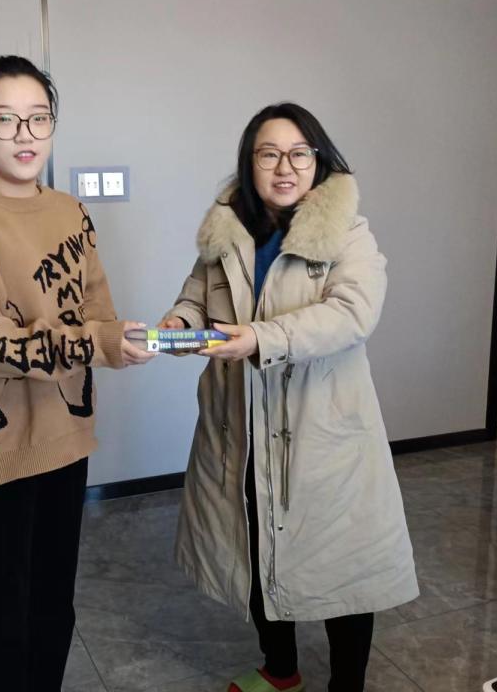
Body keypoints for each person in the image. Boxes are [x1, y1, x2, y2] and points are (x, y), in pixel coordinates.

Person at [160, 103, 418, 692]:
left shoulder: (348, 233)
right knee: (255, 549)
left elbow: (352, 314)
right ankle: (280, 671)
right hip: (240, 425)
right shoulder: (225, 232)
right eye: (269, 154)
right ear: (249, 163)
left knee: (342, 567)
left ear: (318, 160)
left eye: (299, 154)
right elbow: (195, 298)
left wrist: (259, 338)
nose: (284, 167)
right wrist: (178, 324)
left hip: (322, 431)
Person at [0, 55, 155, 692]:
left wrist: (127, 338)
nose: (24, 135)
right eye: (4, 119)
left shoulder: (72, 212)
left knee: (53, 602)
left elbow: (97, 314)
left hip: (63, 437)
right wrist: (97, 341)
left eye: (39, 118)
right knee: (0, 615)